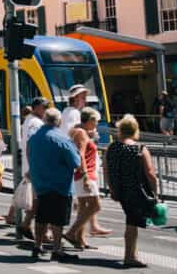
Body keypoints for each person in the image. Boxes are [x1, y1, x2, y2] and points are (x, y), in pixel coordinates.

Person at [27, 107, 81, 262]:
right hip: (59, 184)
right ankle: (57, 249)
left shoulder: (35, 137)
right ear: (59, 121)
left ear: (45, 120)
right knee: (57, 219)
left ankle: (37, 246)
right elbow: (75, 162)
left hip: (40, 183)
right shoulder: (62, 139)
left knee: (41, 216)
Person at [104, 115, 158, 268]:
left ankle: (132, 254)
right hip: (136, 191)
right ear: (135, 130)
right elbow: (150, 173)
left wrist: (112, 189)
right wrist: (156, 192)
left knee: (132, 221)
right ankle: (129, 257)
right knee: (132, 223)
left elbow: (106, 170)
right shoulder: (140, 148)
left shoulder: (112, 147)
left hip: (120, 191)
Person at [64, 107, 102, 250]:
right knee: (95, 205)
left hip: (79, 174)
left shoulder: (78, 131)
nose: (97, 124)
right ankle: (71, 233)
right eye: (96, 121)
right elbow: (80, 154)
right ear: (90, 120)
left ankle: (80, 240)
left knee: (83, 208)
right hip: (85, 174)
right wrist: (85, 175)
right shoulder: (81, 133)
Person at [17, 97, 48, 239]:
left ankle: (26, 224)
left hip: (33, 165)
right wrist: (33, 167)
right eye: (44, 107)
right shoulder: (35, 123)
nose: (46, 110)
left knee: (38, 199)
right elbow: (33, 144)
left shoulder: (30, 120)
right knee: (42, 199)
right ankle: (35, 228)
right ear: (36, 107)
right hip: (35, 166)